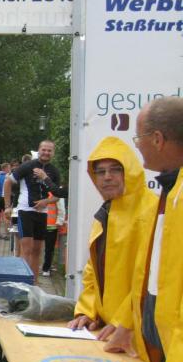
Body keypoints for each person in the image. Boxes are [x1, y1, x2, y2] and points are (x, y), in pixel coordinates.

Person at [66, 138, 157, 345]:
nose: (107, 177)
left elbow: (150, 278)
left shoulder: (151, 211)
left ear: (130, 170)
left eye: (116, 169)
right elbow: (93, 271)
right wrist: (87, 311)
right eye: (100, 171)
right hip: (107, 331)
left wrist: (124, 322)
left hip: (140, 335)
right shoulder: (107, 212)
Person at [126, 97, 183, 362]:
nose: (137, 145)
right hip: (162, 351)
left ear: (158, 139)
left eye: (139, 138)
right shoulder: (171, 190)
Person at [4, 141, 62, 278]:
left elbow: (57, 195)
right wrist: (7, 207)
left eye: (49, 150)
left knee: (37, 251)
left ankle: (34, 283)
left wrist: (45, 201)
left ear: (53, 153)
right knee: (27, 249)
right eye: (44, 150)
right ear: (39, 150)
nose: (46, 153)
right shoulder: (28, 166)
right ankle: (23, 282)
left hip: (42, 213)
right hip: (25, 211)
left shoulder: (54, 171)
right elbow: (8, 182)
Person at [40, 195, 65, 277]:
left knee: (49, 248)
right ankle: (42, 267)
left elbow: (61, 208)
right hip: (40, 224)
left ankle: (46, 268)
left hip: (51, 225)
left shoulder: (55, 193)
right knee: (42, 247)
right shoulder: (39, 191)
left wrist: (59, 221)